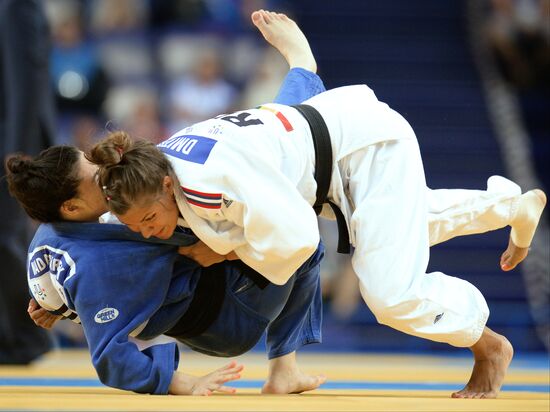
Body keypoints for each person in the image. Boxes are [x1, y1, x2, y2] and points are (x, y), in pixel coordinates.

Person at [87, 13, 547, 401]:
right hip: (332, 141)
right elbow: (117, 223)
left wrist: (226, 252)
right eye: (139, 226)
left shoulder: (209, 185)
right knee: (406, 224)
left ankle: (487, 345)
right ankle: (510, 207)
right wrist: (59, 296)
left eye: (150, 220)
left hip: (366, 152)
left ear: (168, 187)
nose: (148, 232)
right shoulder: (147, 167)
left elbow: (302, 241)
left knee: (390, 295)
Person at [6, 9, 327, 395]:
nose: (101, 168)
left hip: (199, 289)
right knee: (303, 234)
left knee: (254, 153)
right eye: (92, 173)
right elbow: (111, 358)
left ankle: (301, 78)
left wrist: (57, 307)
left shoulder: (55, 231)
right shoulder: (98, 262)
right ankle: (283, 369)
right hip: (222, 318)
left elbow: (54, 289)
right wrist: (185, 383)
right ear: (71, 207)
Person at [0, 0, 56, 364]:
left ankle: (23, 338)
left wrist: (16, 152)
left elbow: (26, 80)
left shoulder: (16, 5)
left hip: (8, 142)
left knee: (4, 236)